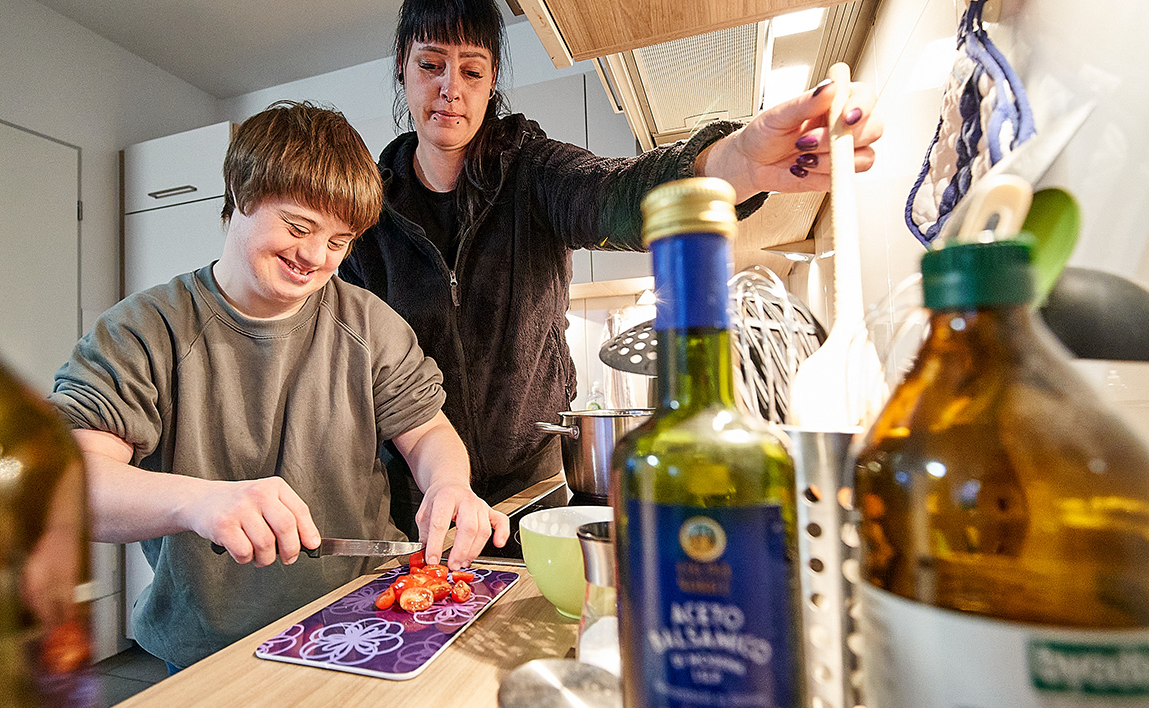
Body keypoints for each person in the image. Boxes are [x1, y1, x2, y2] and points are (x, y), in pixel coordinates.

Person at [340, 0, 886, 515]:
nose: (449, 89)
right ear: (401, 67)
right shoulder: (369, 214)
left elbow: (616, 195)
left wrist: (738, 161)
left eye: (473, 71)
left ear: (491, 83)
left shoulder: (532, 171)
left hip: (534, 488)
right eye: (431, 64)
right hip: (418, 498)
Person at [48, 100, 508, 671]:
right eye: (298, 227)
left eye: (339, 242)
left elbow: (428, 431)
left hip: (366, 621)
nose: (315, 257)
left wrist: (450, 484)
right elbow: (72, 486)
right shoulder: (145, 330)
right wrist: (198, 501)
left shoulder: (370, 324)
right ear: (242, 192)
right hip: (211, 651)